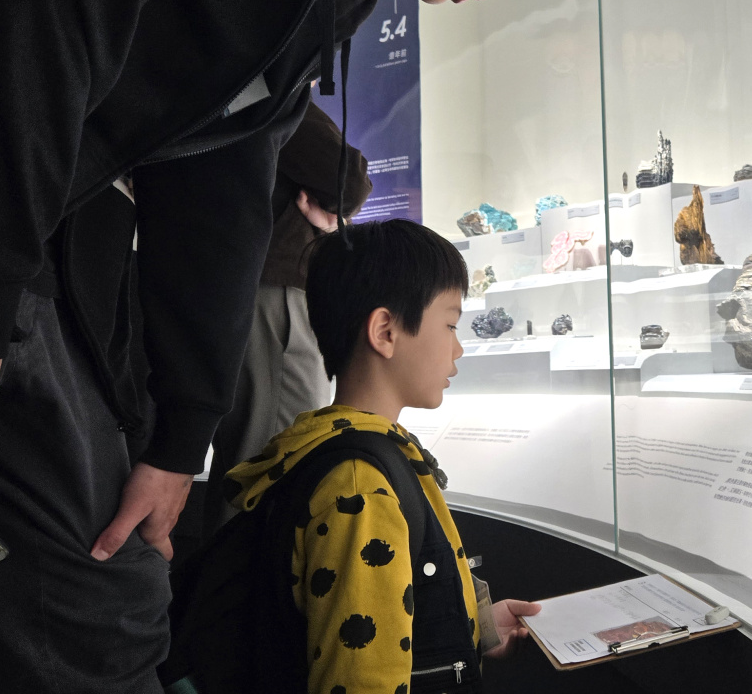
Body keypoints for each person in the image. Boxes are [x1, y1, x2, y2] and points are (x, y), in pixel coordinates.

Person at [0, 0, 587, 690]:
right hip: (18, 247)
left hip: (53, 255)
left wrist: (180, 440)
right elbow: (38, 4)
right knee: (92, 614)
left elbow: (218, 182)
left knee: (118, 595)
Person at [216, 219, 538, 691]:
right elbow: (361, 678)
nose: (458, 348)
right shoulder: (358, 487)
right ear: (385, 331)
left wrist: (476, 625)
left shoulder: (355, 454)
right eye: (450, 325)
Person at [203, 100, 374, 536]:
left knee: (250, 455)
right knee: (278, 459)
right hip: (273, 291)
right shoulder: (272, 81)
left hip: (235, 284)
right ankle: (245, 580)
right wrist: (338, 213)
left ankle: (226, 576)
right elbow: (348, 180)